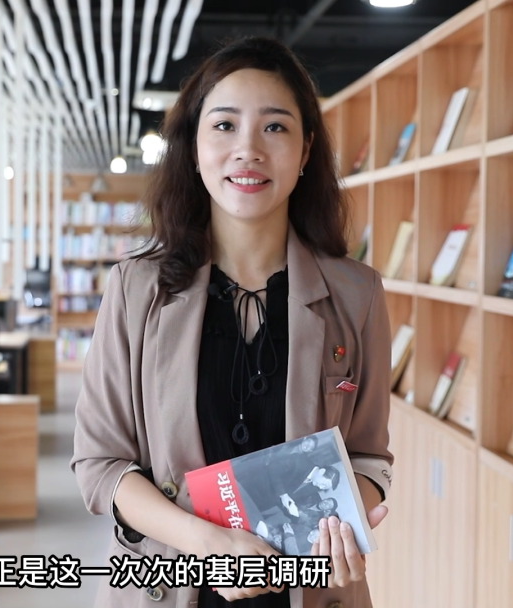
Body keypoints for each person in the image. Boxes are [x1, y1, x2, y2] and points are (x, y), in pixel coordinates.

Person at [71, 36, 394, 608]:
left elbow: (367, 456)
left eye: (274, 127)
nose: (248, 149)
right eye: (224, 125)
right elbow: (101, 465)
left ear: (305, 149)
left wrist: (344, 521)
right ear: (194, 148)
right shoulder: (135, 290)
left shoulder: (357, 294)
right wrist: (210, 546)